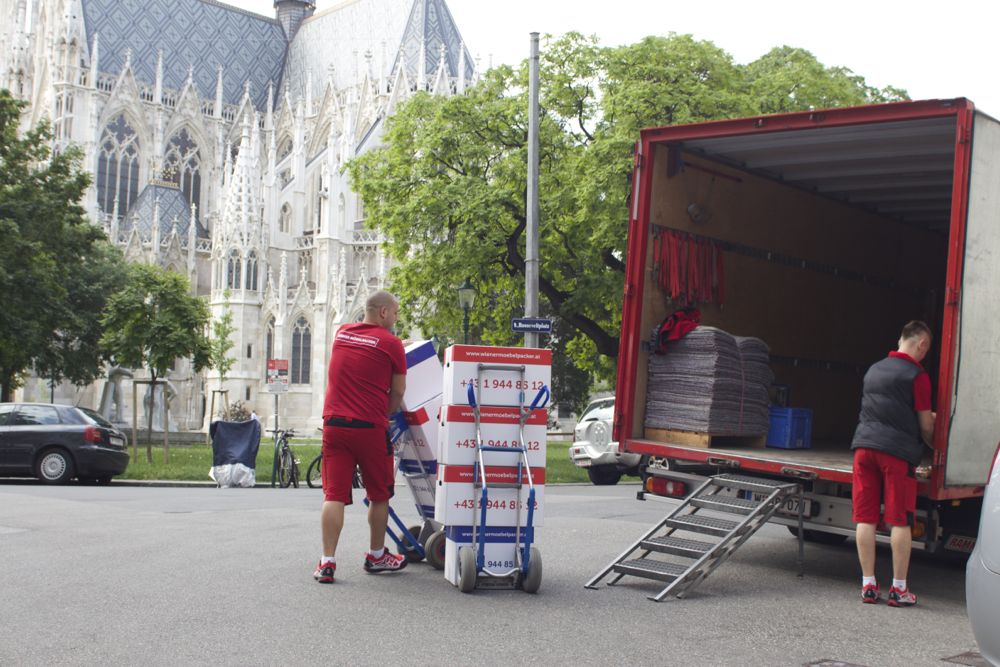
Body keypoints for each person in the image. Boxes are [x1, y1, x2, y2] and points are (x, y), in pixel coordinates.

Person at [313, 291, 407, 584]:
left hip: (334, 425)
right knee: (379, 495)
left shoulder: (341, 333)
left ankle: (327, 562)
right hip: (369, 428)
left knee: (334, 495)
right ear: (382, 312)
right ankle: (377, 555)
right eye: (395, 313)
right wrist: (386, 414)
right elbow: (399, 391)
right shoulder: (392, 343)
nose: (396, 319)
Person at [851, 320, 935, 607]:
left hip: (864, 448)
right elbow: (925, 424)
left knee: (866, 517)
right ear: (921, 344)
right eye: (927, 349)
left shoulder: (874, 369)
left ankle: (868, 585)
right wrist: (935, 441)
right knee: (900, 519)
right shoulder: (917, 375)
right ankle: (899, 589)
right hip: (895, 452)